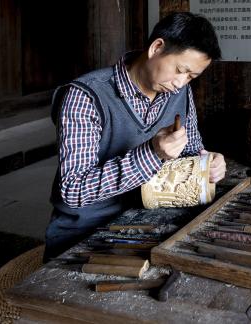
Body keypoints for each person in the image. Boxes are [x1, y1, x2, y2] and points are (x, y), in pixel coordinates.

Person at [44, 12, 226, 261]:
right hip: (84, 233)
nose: (181, 83)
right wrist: (152, 154)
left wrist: (208, 165)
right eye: (180, 70)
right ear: (157, 47)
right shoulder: (85, 96)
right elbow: (74, 190)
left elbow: (192, 150)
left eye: (192, 77)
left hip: (148, 221)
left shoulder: (179, 93)